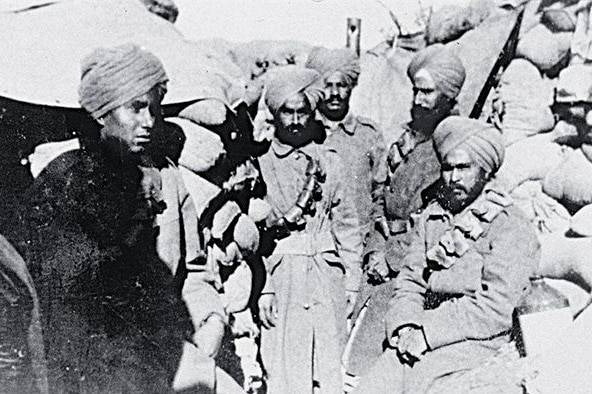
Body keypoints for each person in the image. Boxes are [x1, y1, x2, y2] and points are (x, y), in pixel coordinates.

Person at [13, 43, 196, 392]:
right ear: (101, 112)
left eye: (154, 110)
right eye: (136, 109)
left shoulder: (155, 178)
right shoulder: (63, 180)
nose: (149, 122)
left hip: (144, 362)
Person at [351, 116, 540, 393]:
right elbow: (410, 281)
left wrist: (427, 333)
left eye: (464, 168)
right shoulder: (433, 217)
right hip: (419, 329)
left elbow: (495, 307)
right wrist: (405, 324)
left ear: (486, 170)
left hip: (476, 340)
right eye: (448, 168)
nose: (453, 178)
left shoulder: (510, 225)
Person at [344, 43, 467, 382]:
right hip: (382, 257)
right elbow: (382, 195)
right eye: (416, 90)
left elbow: (437, 218)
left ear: (448, 96)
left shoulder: (454, 148)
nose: (418, 100)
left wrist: (393, 258)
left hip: (415, 270)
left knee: (374, 367)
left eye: (427, 92)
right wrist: (375, 249)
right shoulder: (407, 139)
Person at [256, 66, 363, 394]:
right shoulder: (260, 163)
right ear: (275, 114)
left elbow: (346, 225)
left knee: (329, 369)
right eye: (287, 112)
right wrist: (264, 288)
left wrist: (351, 282)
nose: (295, 120)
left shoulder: (330, 161)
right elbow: (255, 239)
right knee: (285, 369)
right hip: (282, 276)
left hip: (326, 276)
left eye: (303, 111)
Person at [305, 47, 388, 241]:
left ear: (351, 87)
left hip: (357, 242)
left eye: (341, 85)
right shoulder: (305, 133)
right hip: (315, 244)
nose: (334, 93)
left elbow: (380, 193)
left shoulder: (368, 135)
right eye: (327, 85)